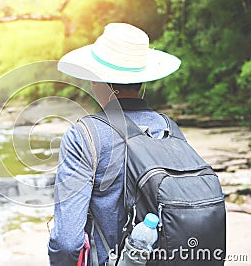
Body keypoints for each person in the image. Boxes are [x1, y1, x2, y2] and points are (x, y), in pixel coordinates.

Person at [48, 23, 181, 265]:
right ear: (142, 81)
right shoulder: (168, 127)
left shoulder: (84, 135)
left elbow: (67, 242)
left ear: (96, 80)